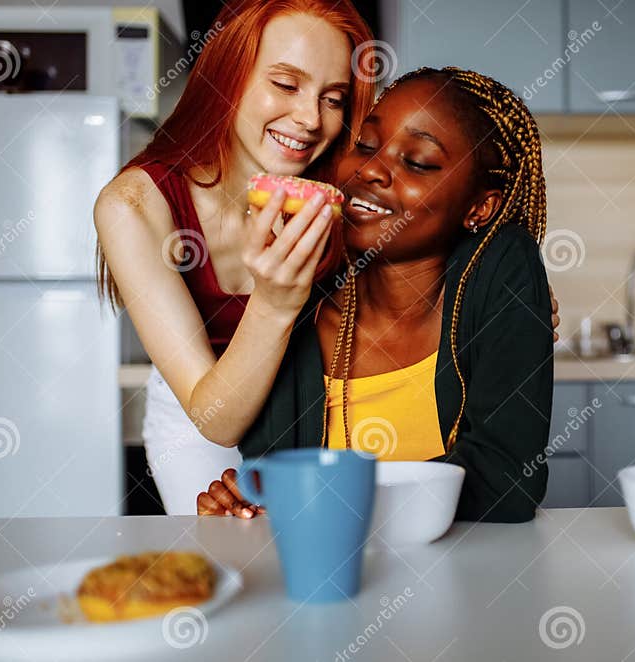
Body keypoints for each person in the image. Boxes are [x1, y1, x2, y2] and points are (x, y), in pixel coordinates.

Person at [197, 67, 555, 523]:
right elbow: (270, 478)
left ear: (479, 206)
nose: (369, 169)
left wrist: (318, 492)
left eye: (418, 161)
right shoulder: (294, 301)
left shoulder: (500, 270)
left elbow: (508, 482)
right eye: (365, 146)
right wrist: (244, 500)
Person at [94, 0, 378, 514]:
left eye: (333, 98)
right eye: (286, 85)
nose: (311, 120)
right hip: (199, 420)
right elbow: (215, 418)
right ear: (228, 76)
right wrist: (274, 303)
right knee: (237, 575)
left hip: (310, 410)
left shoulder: (340, 187)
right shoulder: (134, 205)